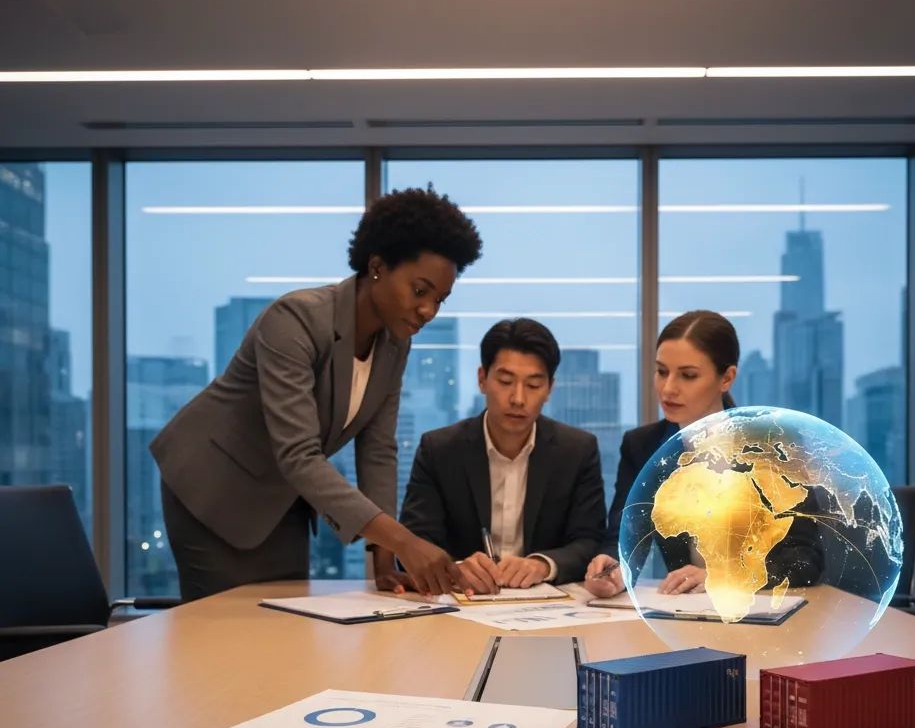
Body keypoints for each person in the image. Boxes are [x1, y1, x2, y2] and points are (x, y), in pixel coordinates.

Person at [151, 187, 482, 601]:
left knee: (285, 628)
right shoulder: (296, 319)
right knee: (223, 633)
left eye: (440, 299)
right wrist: (404, 542)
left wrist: (384, 559)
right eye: (420, 291)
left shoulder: (395, 344)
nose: (429, 311)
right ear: (377, 267)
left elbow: (378, 449)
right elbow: (299, 453)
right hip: (212, 487)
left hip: (281, 499)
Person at [584, 310, 822, 598]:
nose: (668, 388)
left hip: (763, 606)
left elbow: (805, 558)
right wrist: (613, 570)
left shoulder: (772, 444)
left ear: (727, 378)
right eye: (661, 372)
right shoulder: (643, 446)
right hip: (684, 610)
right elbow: (626, 536)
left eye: (688, 375)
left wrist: (723, 577)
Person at [400, 318, 606, 593]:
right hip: (464, 606)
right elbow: (416, 541)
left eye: (533, 385)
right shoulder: (440, 449)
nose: (518, 398)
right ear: (482, 379)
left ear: (549, 389)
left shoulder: (577, 450)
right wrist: (457, 567)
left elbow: (589, 541)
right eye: (506, 381)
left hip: (547, 610)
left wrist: (542, 565)